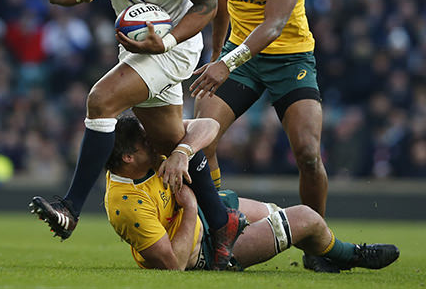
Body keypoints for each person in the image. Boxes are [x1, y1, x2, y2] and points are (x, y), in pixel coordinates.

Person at [29, 0, 246, 270]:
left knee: (101, 99)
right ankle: (220, 221)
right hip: (135, 49)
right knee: (168, 144)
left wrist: (168, 40)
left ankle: (70, 208)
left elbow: (208, 5)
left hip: (175, 46)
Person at [188, 0, 331, 272]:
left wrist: (225, 63)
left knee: (307, 154)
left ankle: (316, 244)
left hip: (290, 58)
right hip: (240, 58)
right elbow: (217, 7)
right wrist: (216, 55)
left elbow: (275, 25)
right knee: (201, 138)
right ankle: (218, 229)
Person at [105, 114, 400, 272]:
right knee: (306, 218)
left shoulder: (149, 156)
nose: (155, 144)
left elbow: (209, 125)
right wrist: (192, 207)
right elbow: (173, 264)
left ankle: (320, 257)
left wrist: (183, 151)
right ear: (128, 158)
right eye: (146, 143)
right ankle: (351, 255)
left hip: (210, 214)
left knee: (276, 213)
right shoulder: (126, 204)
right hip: (204, 251)